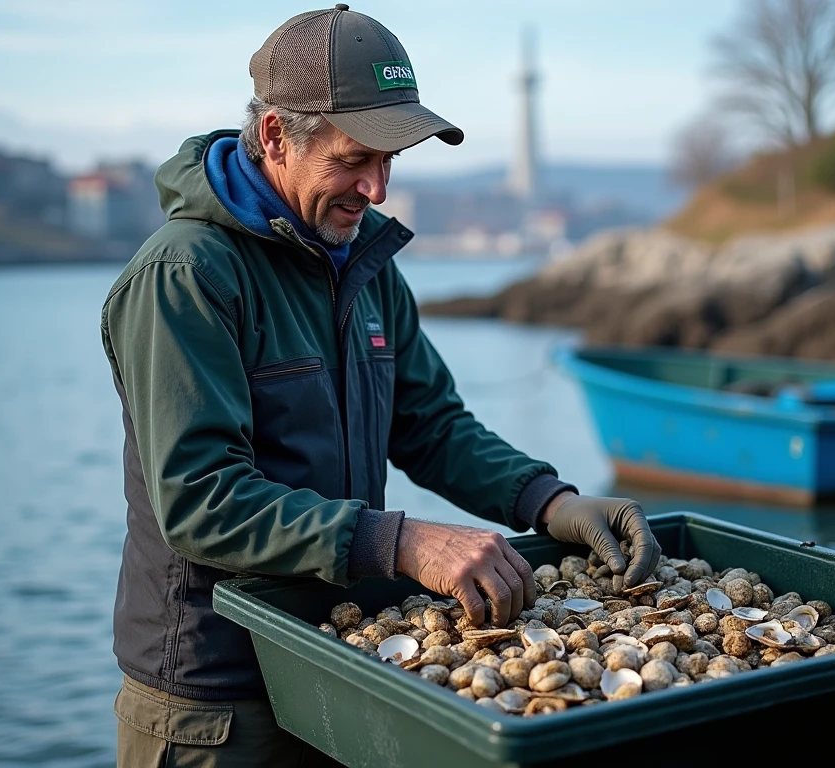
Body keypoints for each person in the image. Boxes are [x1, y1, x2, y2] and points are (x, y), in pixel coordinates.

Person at [101, 5, 662, 766]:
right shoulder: (186, 276)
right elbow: (201, 500)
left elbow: (429, 423)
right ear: (275, 137)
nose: (376, 188)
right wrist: (401, 543)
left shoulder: (362, 259)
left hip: (341, 661)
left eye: (391, 161)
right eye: (355, 159)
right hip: (213, 700)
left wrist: (551, 502)